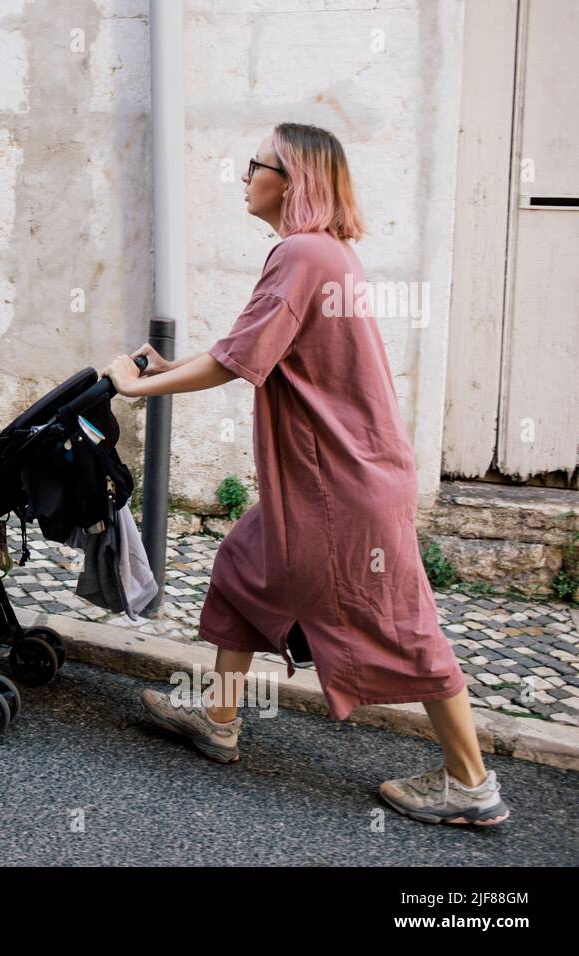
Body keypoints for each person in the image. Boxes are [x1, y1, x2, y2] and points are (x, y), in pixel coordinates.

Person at [103, 123, 509, 827]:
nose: (243, 175)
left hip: (340, 489)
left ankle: (470, 783)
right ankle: (220, 717)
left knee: (402, 626)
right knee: (241, 565)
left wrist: (135, 391)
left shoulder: (301, 252)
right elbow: (254, 345)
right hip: (340, 480)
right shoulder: (322, 254)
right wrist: (173, 368)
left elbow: (238, 360)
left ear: (290, 180)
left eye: (253, 164)